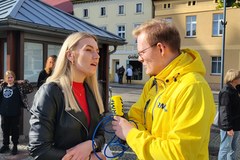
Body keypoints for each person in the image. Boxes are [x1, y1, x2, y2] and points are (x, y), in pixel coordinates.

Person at [112, 18, 216, 159]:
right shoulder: (154, 83)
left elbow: (178, 154)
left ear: (160, 48)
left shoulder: (193, 87)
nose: (139, 59)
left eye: (142, 52)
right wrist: (132, 128)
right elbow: (135, 117)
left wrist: (131, 134)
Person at [28, 32, 106, 160]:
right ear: (70, 55)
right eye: (88, 50)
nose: (96, 56)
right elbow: (39, 149)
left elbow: (101, 134)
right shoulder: (50, 91)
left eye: (97, 51)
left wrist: (91, 144)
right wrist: (89, 158)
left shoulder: (93, 92)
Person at [0, 70, 33, 155]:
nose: (10, 79)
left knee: (15, 130)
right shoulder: (3, 87)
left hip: (14, 113)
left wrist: (23, 82)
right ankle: (5, 145)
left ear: (14, 78)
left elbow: (30, 89)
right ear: (5, 79)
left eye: (11, 77)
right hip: (4, 113)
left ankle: (15, 146)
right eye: (8, 78)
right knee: (5, 130)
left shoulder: (18, 87)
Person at [217, 69, 240, 160]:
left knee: (233, 147)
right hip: (229, 126)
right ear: (233, 79)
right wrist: (228, 128)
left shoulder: (236, 89)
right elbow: (224, 111)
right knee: (225, 148)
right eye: (239, 77)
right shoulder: (226, 92)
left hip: (236, 124)